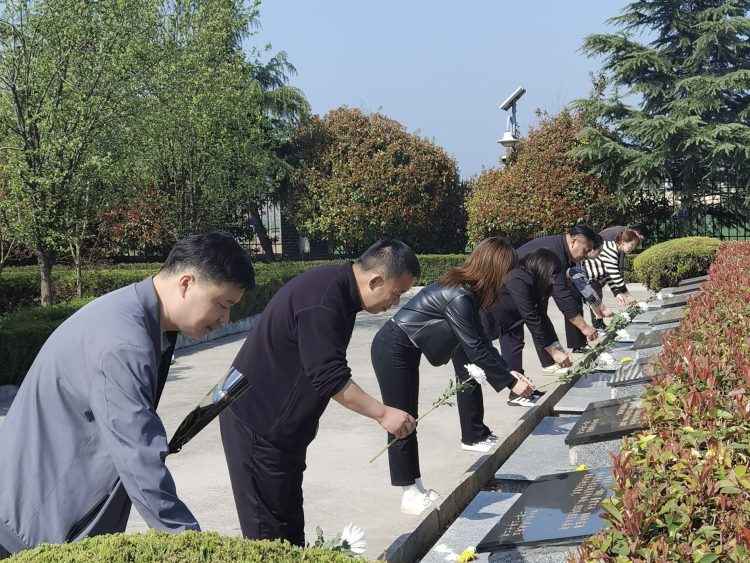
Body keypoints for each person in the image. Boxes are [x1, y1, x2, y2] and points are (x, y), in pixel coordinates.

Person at [0, 232, 255, 559]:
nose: (225, 319)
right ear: (186, 283)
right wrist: (193, 548)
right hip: (29, 530)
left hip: (41, 517)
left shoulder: (141, 319)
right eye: (223, 304)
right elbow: (138, 454)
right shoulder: (123, 343)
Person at [219, 240, 419, 546]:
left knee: (289, 532)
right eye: (396, 293)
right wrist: (383, 413)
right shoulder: (323, 299)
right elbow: (329, 375)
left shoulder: (338, 292)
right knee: (268, 535)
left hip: (282, 432)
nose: (395, 302)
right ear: (376, 281)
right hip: (258, 425)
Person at [370, 237, 535, 515]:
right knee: (401, 419)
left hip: (405, 347)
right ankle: (409, 492)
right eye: (506, 271)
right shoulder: (459, 296)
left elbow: (481, 340)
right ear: (494, 268)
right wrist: (510, 383)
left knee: (408, 419)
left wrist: (509, 372)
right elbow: (474, 348)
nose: (507, 279)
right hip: (393, 347)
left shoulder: (467, 292)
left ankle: (415, 485)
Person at [456, 249, 574, 419]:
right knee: (474, 362)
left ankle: (520, 391)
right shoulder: (519, 278)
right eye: (552, 275)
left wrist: (556, 347)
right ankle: (514, 391)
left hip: (512, 317)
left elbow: (541, 317)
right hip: (495, 313)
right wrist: (553, 352)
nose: (553, 280)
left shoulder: (536, 282)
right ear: (543, 269)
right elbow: (531, 316)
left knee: (514, 347)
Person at [516, 225, 603, 355]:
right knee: (518, 332)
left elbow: (576, 284)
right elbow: (561, 294)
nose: (586, 256)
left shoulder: (564, 250)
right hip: (514, 286)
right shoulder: (557, 254)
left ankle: (553, 360)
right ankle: (553, 358)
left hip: (533, 288)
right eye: (585, 250)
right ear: (574, 241)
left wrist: (595, 303)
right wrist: (584, 326)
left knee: (540, 322)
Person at [582, 229, 641, 328]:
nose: (633, 248)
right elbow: (615, 274)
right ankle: (598, 327)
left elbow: (609, 273)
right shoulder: (610, 249)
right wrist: (627, 295)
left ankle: (599, 326)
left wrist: (617, 293)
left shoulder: (614, 249)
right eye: (632, 244)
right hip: (587, 279)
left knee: (596, 303)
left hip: (594, 280)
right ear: (623, 242)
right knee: (595, 303)